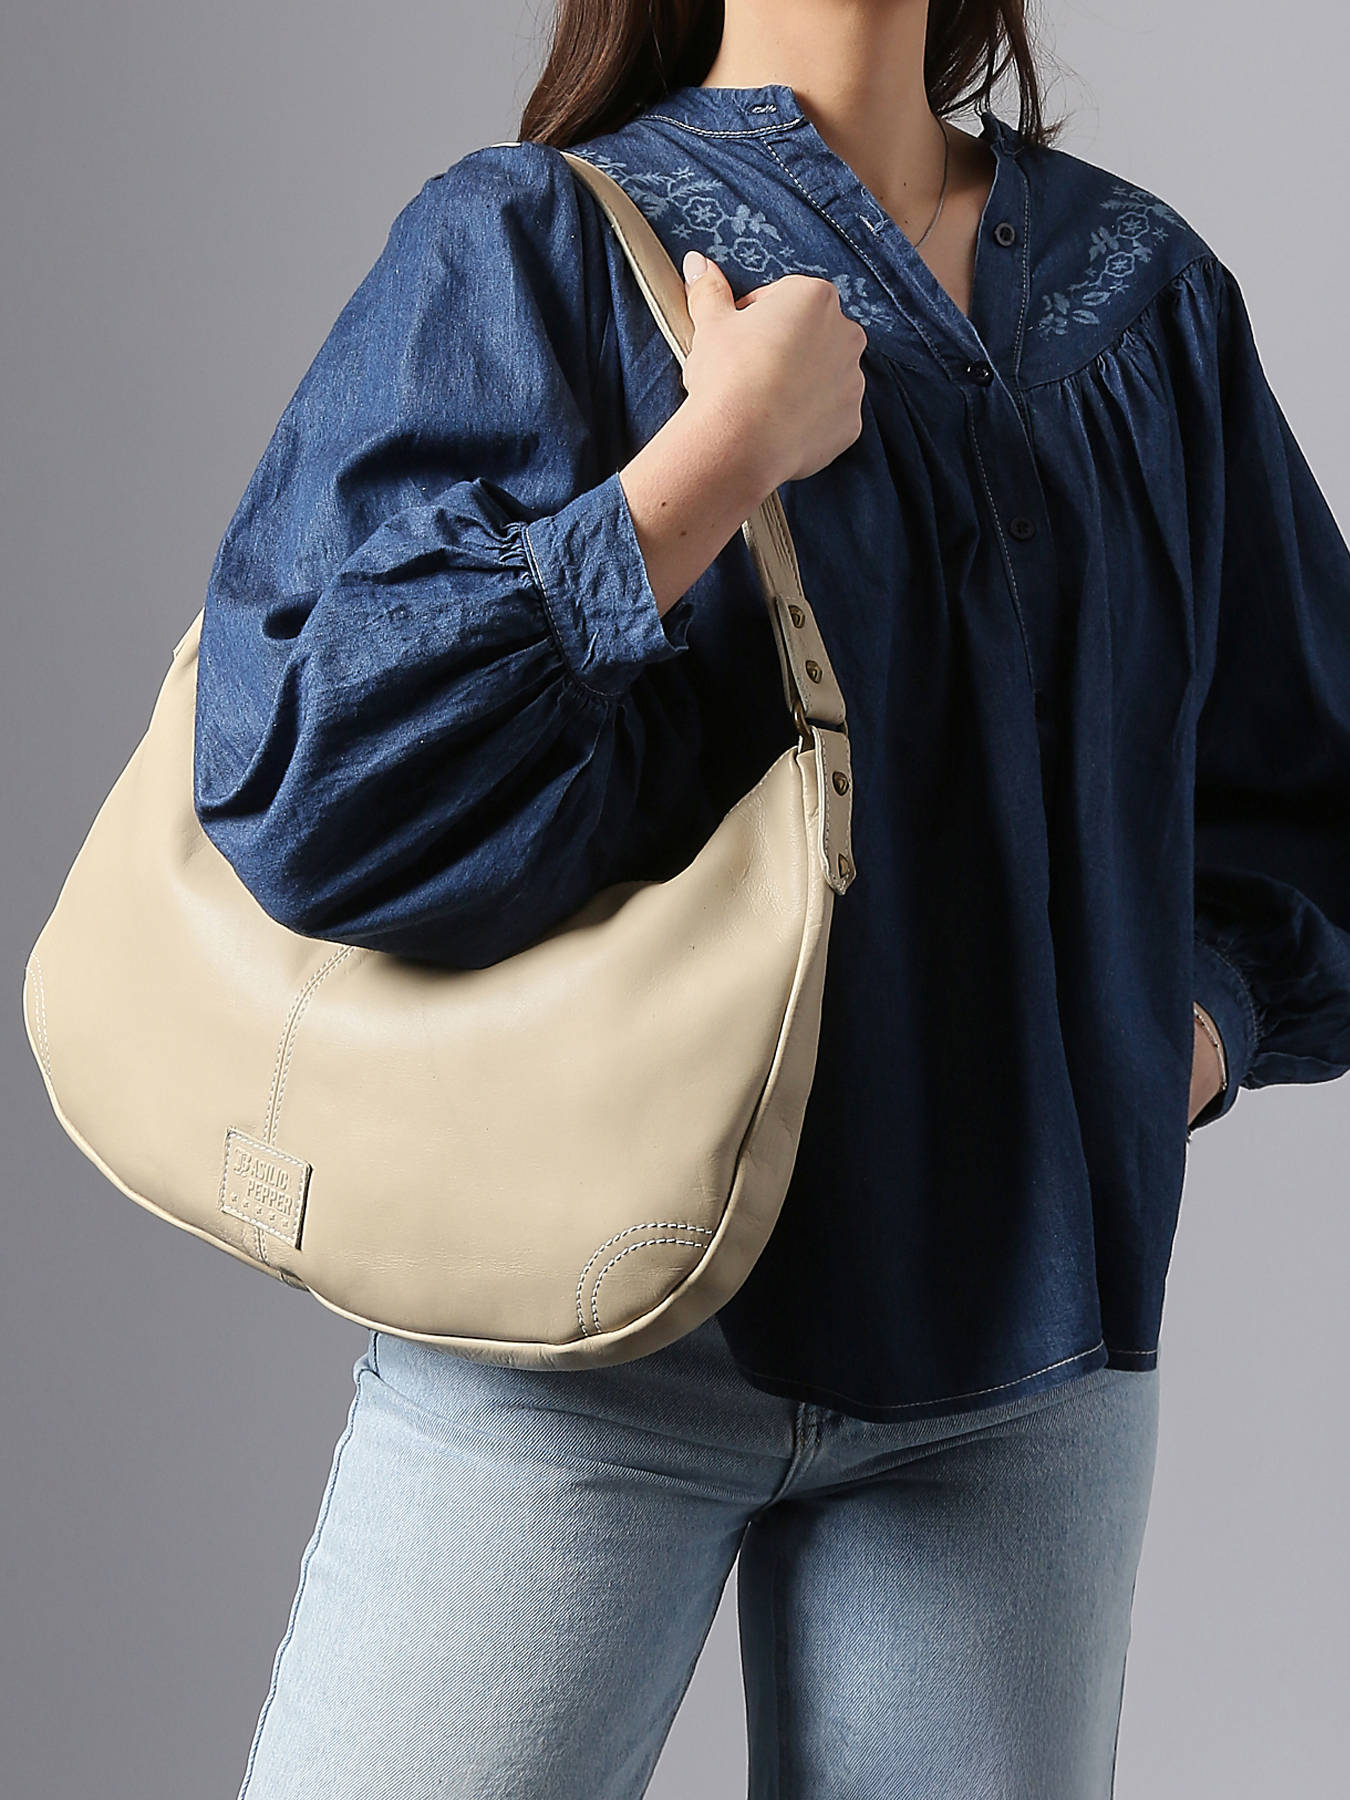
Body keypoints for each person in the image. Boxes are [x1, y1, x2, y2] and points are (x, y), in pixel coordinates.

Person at [198, 2, 1350, 1795]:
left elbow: (1303, 790)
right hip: (589, 1336)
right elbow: (307, 788)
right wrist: (706, 464)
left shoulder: (1142, 299)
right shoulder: (534, 245)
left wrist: (1179, 1033)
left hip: (1019, 1363)